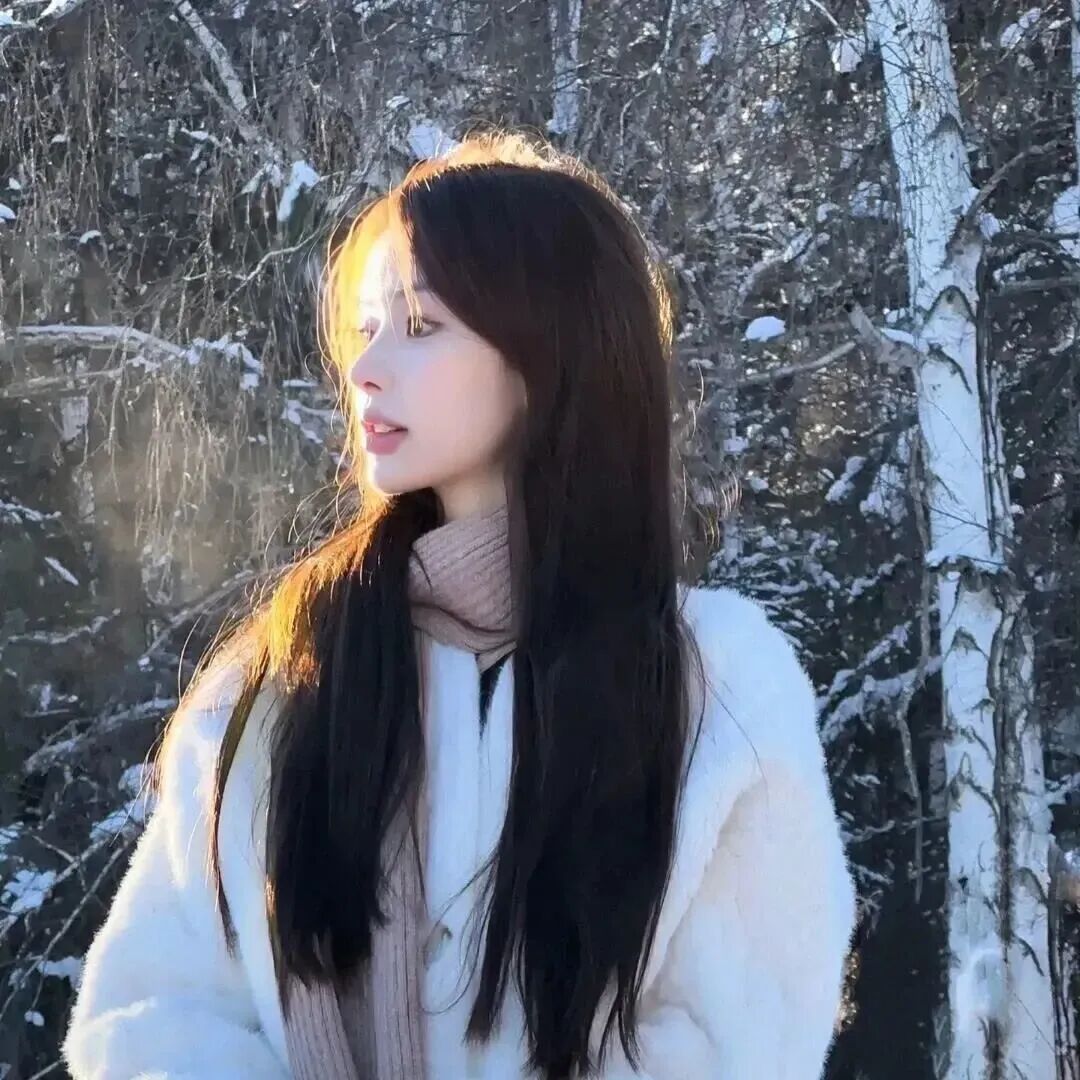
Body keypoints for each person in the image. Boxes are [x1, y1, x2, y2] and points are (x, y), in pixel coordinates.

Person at [62, 129, 858, 1080]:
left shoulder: (717, 690)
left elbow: (742, 1038)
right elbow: (152, 1011)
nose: (365, 368)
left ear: (548, 354)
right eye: (364, 328)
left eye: (420, 325)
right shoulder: (280, 679)